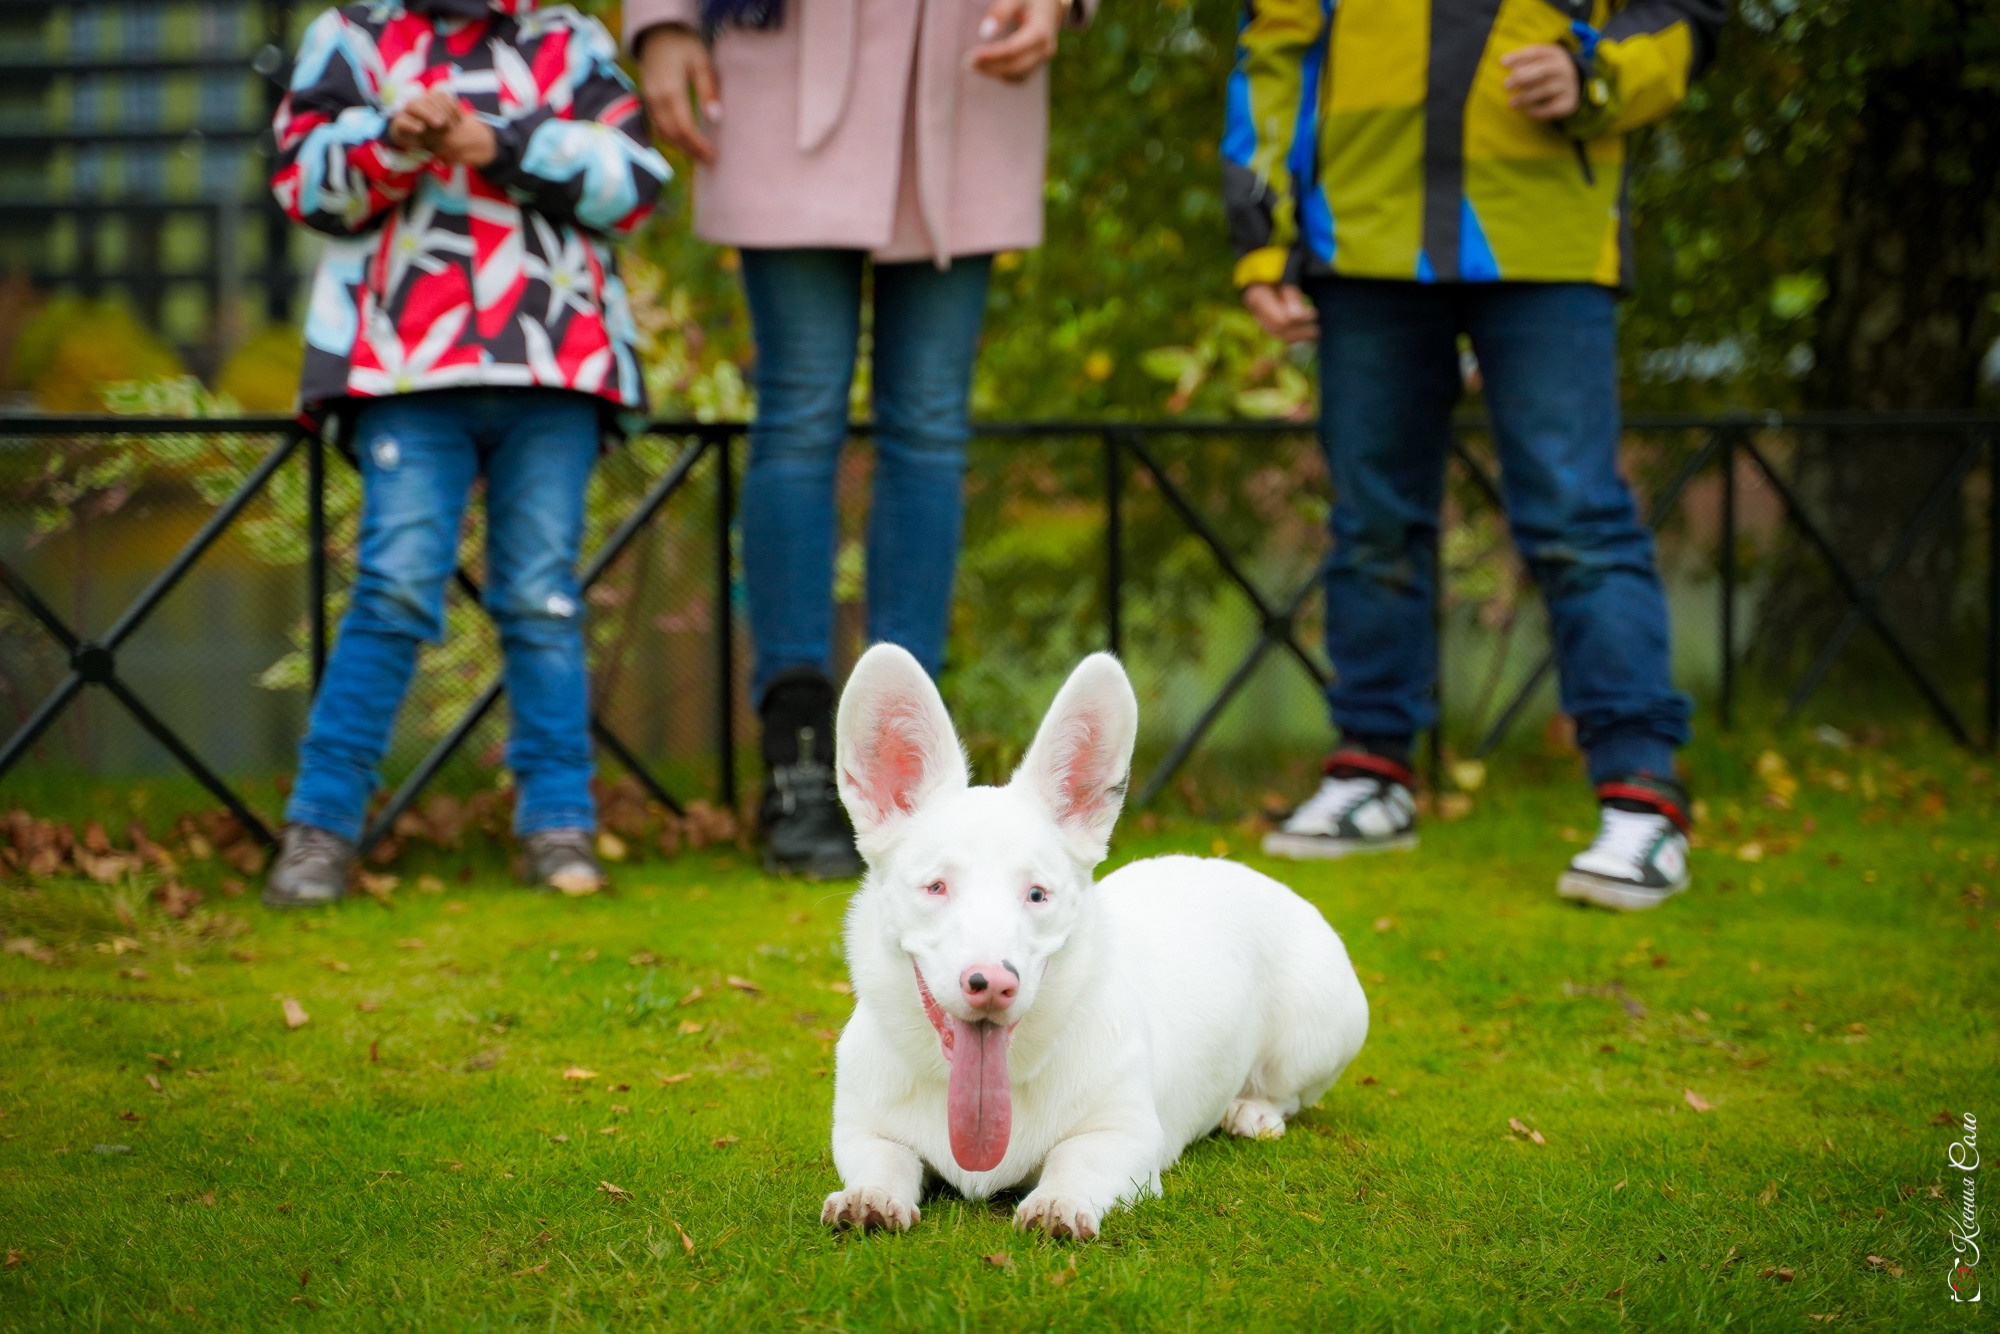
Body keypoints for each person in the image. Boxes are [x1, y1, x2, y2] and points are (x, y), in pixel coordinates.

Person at [1226, 0, 1725, 910]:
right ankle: (1371, 773)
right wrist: (1262, 234)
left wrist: (1594, 76)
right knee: (1372, 521)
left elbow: (1685, 18)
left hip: (1545, 237)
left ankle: (1642, 795)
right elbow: (1276, 45)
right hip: (1364, 235)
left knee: (1578, 518)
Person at [625, 0, 1089, 879]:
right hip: (783, 62)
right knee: (799, 417)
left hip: (968, 67)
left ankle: (910, 765)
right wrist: (661, 23)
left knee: (929, 429)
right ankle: (797, 755)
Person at [261, 0, 669, 906]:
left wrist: (501, 144)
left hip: (556, 362)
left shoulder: (568, 39)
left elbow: (639, 180)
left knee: (543, 597)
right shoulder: (354, 36)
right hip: (402, 367)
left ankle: (560, 826)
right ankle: (320, 829)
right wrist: (393, 138)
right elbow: (300, 183)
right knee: (396, 585)